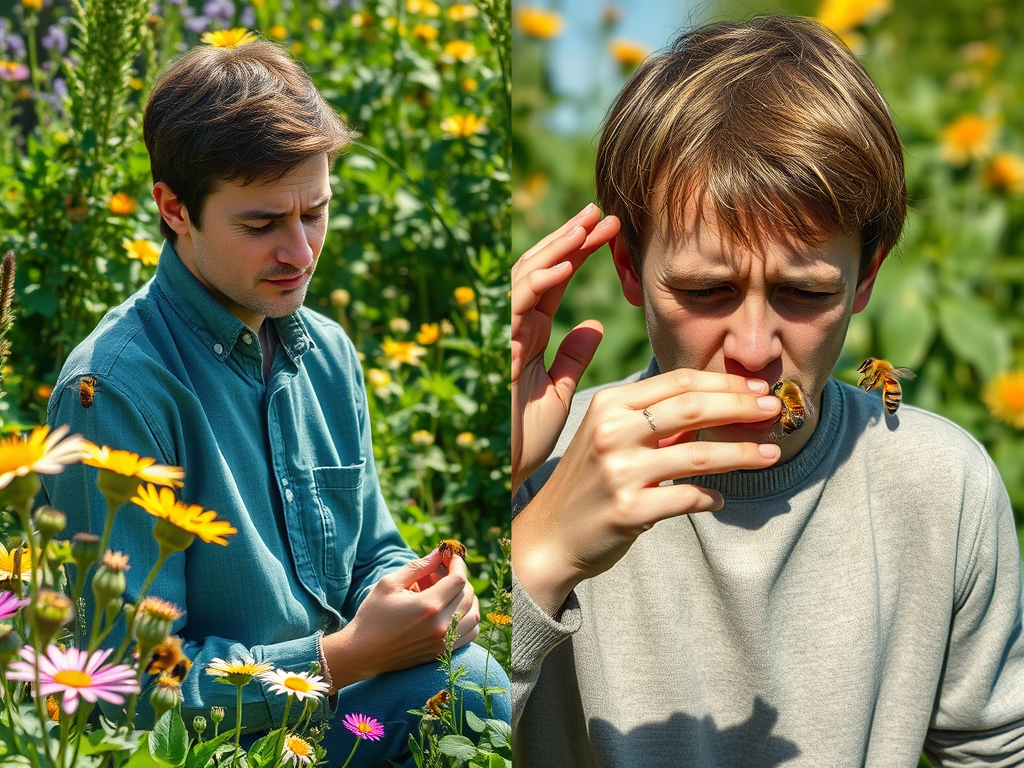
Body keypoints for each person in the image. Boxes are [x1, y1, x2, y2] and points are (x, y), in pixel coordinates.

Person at [511, 15, 1024, 767]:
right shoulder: (539, 469)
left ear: (868, 276)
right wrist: (534, 546)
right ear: (627, 270)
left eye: (804, 293)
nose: (754, 350)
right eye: (706, 289)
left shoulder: (942, 487)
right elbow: (427, 727)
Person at [41, 39, 510, 765]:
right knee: (480, 689)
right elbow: (124, 688)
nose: (300, 252)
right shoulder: (114, 390)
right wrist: (338, 659)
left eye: (315, 213)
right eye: (261, 225)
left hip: (341, 707)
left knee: (480, 681)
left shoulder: (326, 351)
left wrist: (421, 594)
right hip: (224, 743)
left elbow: (366, 555)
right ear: (174, 209)